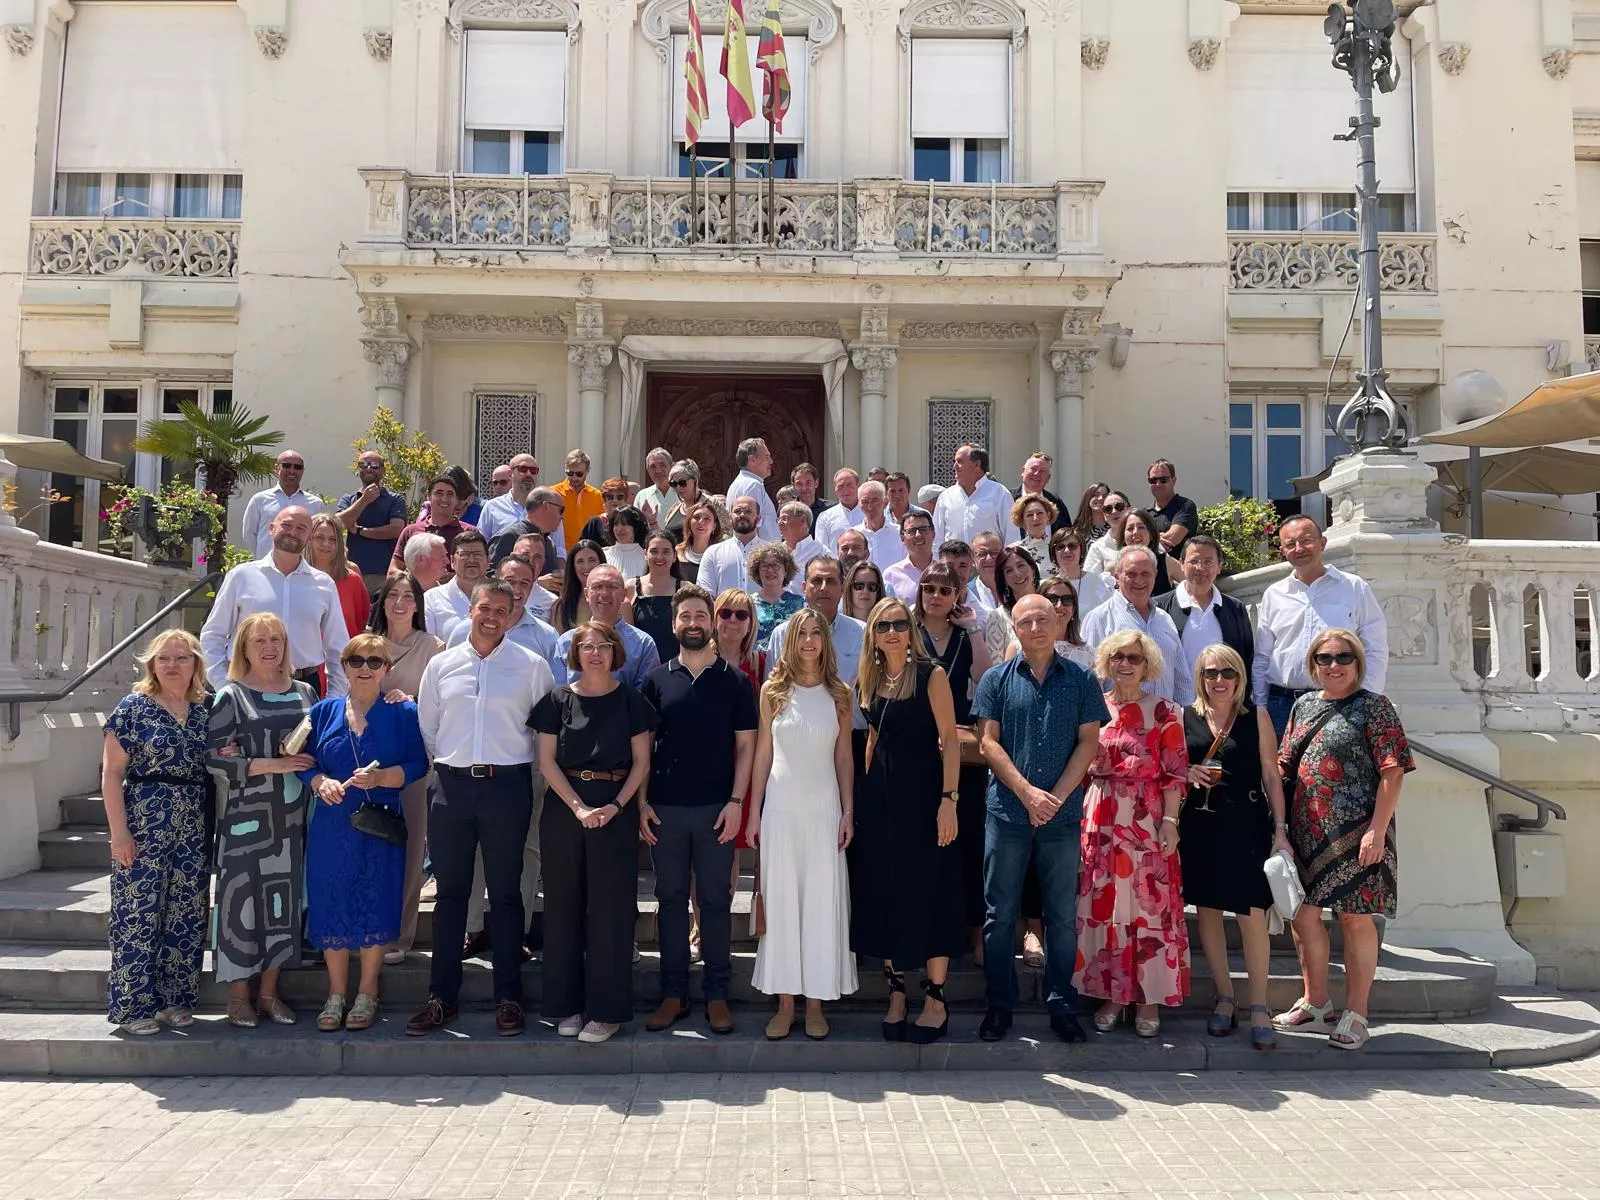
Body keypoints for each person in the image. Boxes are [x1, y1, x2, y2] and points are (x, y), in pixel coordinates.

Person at [408, 580, 555, 1037]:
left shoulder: (532, 667)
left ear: (513, 616)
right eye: (484, 608)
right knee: (452, 895)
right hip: (451, 787)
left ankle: (508, 997)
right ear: (469, 610)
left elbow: (542, 731)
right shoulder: (441, 665)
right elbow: (429, 729)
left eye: (501, 610)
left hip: (507, 787)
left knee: (507, 894)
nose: (491, 616)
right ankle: (441, 998)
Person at [972, 593, 1108, 1043]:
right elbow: (988, 744)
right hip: (1007, 812)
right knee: (999, 914)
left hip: (1063, 817)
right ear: (1014, 628)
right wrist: (1028, 793)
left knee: (1061, 917)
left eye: (1042, 619)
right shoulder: (995, 678)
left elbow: (1089, 742)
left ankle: (1062, 1005)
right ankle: (999, 1004)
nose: (1035, 628)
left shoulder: (1083, 679)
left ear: (1058, 621)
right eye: (1025, 621)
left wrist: (1055, 796)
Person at [1276, 628, 1412, 1051]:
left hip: (1358, 833)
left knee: (1354, 919)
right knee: (1302, 915)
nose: (1333, 666)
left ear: (1358, 662)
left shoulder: (1376, 708)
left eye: (1343, 657)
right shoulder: (1302, 706)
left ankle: (1357, 1013)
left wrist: (1377, 828)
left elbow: (1392, 772)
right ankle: (1317, 1002)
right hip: (1307, 832)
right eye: (1324, 658)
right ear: (1313, 665)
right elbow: (1283, 764)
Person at [532, 620, 658, 1044]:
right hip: (566, 806)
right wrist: (579, 807)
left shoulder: (632, 700)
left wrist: (617, 806)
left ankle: (607, 1012)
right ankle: (567, 1006)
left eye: (603, 646)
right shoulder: (556, 700)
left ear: (615, 652)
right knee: (564, 907)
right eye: (586, 646)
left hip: (614, 808)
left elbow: (642, 762)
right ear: (575, 653)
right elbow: (546, 761)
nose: (595, 653)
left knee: (610, 911)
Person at [639, 586, 757, 1035]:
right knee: (669, 902)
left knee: (715, 903)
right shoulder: (656, 679)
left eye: (700, 616)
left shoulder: (736, 680)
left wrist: (736, 804)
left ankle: (717, 994)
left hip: (716, 810)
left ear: (711, 623)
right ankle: (673, 993)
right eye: (684, 616)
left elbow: (746, 747)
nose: (693, 623)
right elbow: (644, 749)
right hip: (665, 810)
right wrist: (643, 803)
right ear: (674, 624)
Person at [299, 634, 428, 1033]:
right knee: (332, 899)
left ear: (386, 669)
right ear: (344, 666)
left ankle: (368, 990)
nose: (366, 668)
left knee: (375, 898)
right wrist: (319, 781)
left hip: (379, 818)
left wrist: (382, 777)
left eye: (375, 661)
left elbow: (419, 764)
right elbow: (302, 760)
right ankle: (336, 993)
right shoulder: (323, 711)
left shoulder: (404, 712)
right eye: (357, 661)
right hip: (333, 821)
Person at [851, 597, 964, 1044]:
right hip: (880, 803)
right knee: (887, 893)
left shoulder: (930, 674)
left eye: (900, 624)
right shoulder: (871, 677)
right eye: (883, 626)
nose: (893, 632)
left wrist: (949, 800)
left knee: (930, 890)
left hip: (926, 801)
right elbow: (874, 738)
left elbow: (951, 742)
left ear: (911, 629)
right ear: (873, 635)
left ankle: (936, 997)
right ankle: (897, 993)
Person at [1075, 628, 1191, 1038]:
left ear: (1147, 666)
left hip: (1145, 819)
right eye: (1118, 656)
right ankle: (1115, 995)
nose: (1125, 664)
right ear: (1106, 660)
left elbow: (1176, 774)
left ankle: (1148, 999)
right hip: (1100, 817)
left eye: (1134, 658)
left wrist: (1171, 822)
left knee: (1148, 909)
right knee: (1107, 909)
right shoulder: (1092, 707)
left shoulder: (1165, 712)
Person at [748, 609, 857, 1039]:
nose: (809, 641)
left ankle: (815, 1003)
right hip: (780, 809)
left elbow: (844, 757)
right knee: (782, 904)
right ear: (789, 642)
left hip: (824, 809)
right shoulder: (772, 692)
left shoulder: (839, 693)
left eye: (816, 634)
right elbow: (762, 755)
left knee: (819, 902)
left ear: (825, 642)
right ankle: (785, 1002)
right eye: (801, 634)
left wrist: (848, 811)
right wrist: (753, 811)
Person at [450, 554, 564, 961]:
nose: (516, 590)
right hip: (474, 766)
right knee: (477, 849)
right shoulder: (462, 632)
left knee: (527, 848)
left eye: (524, 584)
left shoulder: (545, 638)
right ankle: (473, 926)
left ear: (531, 590)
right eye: (510, 581)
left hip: (527, 763)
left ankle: (516, 930)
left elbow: (550, 705)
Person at [207, 613, 318, 1027]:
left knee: (283, 904)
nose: (269, 647)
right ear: (244, 649)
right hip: (245, 821)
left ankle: (270, 994)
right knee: (241, 904)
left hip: (293, 818)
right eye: (260, 641)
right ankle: (238, 998)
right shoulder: (231, 696)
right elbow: (216, 758)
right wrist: (274, 764)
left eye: (276, 639)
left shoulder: (306, 691)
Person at [101, 630, 211, 1035]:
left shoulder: (207, 710)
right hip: (145, 822)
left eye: (181, 658)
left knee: (186, 911)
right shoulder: (133, 708)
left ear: (195, 663)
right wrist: (119, 834)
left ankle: (174, 1000)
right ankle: (132, 1007)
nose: (171, 665)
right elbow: (112, 775)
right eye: (164, 658)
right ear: (152, 664)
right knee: (138, 914)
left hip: (194, 824)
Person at [1181, 643, 1288, 1051]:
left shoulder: (1255, 718)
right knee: (1207, 911)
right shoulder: (1184, 717)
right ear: (1200, 678)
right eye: (1211, 673)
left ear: (1240, 678)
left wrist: (1280, 830)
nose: (1219, 681)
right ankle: (1225, 997)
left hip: (1246, 825)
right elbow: (1173, 768)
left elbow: (1272, 776)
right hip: (1201, 825)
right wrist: (1187, 772)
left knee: (1250, 914)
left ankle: (1259, 1004)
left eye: (1227, 673)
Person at [366, 573, 446, 965]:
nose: (399, 602)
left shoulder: (433, 647)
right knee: (371, 842)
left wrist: (412, 697)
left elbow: (444, 702)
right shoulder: (366, 644)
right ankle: (368, 928)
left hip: (414, 760)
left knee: (412, 846)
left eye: (407, 596)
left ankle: (401, 935)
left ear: (418, 604)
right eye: (392, 595)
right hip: (368, 757)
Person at [914, 563, 993, 960]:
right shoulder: (908, 633)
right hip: (918, 748)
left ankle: (975, 931)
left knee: (970, 842)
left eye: (946, 590)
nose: (936, 596)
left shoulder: (965, 636)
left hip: (961, 750)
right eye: (929, 588)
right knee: (926, 844)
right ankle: (930, 928)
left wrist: (975, 628)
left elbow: (984, 675)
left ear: (957, 596)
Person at [1252, 514, 1390, 738]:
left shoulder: (1354, 588)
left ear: (1322, 543)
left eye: (1306, 540)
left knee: (1335, 771)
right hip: (1281, 705)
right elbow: (1263, 656)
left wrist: (1366, 698)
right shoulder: (1274, 594)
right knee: (1279, 771)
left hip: (1339, 702)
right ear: (1283, 551)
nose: (1299, 548)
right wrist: (1260, 703)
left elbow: (1375, 647)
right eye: (1290, 544)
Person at [200, 506, 348, 697]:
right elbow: (213, 635)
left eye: (302, 528)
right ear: (271, 528)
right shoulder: (242, 576)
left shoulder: (324, 584)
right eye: (287, 525)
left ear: (309, 537)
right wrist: (224, 685)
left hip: (303, 686)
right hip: (246, 684)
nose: (293, 532)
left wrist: (334, 697)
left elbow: (338, 647)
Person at [767, 555, 867, 771]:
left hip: (853, 741)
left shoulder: (863, 633)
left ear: (842, 587)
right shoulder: (782, 635)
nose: (823, 588)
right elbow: (773, 695)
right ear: (804, 587)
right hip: (796, 744)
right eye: (816, 581)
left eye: (830, 582)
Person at [1079, 547, 1193, 705]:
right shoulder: (1098, 619)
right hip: (1120, 725)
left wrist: (1184, 722)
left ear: (1155, 575)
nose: (1139, 580)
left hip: (1166, 725)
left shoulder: (1165, 619)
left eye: (1145, 574)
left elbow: (1182, 681)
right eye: (1131, 574)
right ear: (1117, 576)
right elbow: (1089, 684)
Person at [1155, 534, 1255, 681]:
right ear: (1181, 564)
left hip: (1222, 700)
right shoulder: (1160, 607)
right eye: (1193, 561)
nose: (1200, 568)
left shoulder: (1235, 608)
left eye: (1208, 562)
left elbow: (1247, 659)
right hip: (1176, 701)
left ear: (1219, 567)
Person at [554, 563, 662, 687]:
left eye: (612, 587)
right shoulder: (565, 642)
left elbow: (645, 697)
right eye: (597, 586)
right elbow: (559, 695)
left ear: (623, 594)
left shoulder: (643, 644)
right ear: (586, 594)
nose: (604, 593)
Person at [338, 451, 410, 588]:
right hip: (353, 572)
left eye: (375, 465)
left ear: (383, 470)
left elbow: (396, 529)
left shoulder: (395, 499)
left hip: (383, 574)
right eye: (363, 464)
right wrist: (364, 500)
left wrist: (360, 531)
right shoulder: (348, 499)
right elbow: (339, 524)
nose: (368, 468)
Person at [240, 449, 326, 557]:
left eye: (297, 467)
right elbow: (249, 534)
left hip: (301, 569)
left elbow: (318, 536)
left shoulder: (316, 504)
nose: (292, 471)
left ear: (302, 471)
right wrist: (263, 557)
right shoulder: (259, 500)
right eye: (287, 465)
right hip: (266, 569)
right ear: (277, 468)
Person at [932, 444, 1017, 548]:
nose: (955, 466)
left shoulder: (1000, 494)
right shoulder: (946, 497)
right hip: (954, 564)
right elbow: (937, 540)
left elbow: (1012, 539)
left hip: (990, 563)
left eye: (960, 462)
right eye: (954, 461)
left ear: (977, 465)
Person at [391, 474, 477, 574]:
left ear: (456, 499)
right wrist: (420, 578)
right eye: (439, 493)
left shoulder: (469, 532)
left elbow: (480, 571)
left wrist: (452, 579)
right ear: (428, 496)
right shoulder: (411, 531)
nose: (444, 499)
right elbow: (393, 571)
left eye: (450, 494)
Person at [305, 512, 370, 638]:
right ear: (308, 539)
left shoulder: (353, 581)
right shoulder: (296, 579)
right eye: (319, 537)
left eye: (332, 539)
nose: (326, 544)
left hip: (345, 654)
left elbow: (361, 622)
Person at [422, 529, 491, 641]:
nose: (471, 560)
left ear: (488, 560)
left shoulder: (502, 597)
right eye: (464, 555)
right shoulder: (432, 599)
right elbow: (428, 646)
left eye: (478, 554)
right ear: (452, 561)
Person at [629, 530, 686, 661]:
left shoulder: (686, 588)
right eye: (654, 551)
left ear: (674, 556)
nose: (659, 557)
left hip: (677, 666)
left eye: (666, 551)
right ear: (645, 554)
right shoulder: (630, 588)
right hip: (641, 668)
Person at [696, 493, 766, 597]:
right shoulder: (713, 553)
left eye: (748, 511)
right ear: (729, 518)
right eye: (737, 511)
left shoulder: (770, 552)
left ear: (759, 518)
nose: (742, 515)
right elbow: (706, 595)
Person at [983, 544, 1041, 661]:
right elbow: (996, 669)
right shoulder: (998, 617)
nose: (1017, 574)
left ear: (1033, 569)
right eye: (1009, 571)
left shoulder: (1053, 605)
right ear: (1003, 580)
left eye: (1021, 566)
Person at [488, 486, 565, 571]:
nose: (562, 517)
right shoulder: (509, 537)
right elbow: (489, 577)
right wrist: (537, 583)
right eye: (561, 510)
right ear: (546, 506)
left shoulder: (550, 544)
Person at [475, 454, 541, 542]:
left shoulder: (547, 507)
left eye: (533, 470)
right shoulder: (492, 507)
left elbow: (559, 550)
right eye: (523, 469)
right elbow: (482, 543)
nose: (528, 474)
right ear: (510, 474)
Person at [749, 542, 803, 650]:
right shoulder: (748, 603)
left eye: (775, 565)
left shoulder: (800, 603)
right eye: (764, 566)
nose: (770, 570)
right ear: (757, 571)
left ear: (786, 571)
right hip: (756, 663)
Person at [726, 437, 781, 543]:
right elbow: (752, 525)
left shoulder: (740, 483)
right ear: (752, 460)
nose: (771, 461)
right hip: (758, 553)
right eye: (767, 457)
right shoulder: (753, 485)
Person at [1048, 526, 1110, 616]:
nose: (1066, 550)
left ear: (1081, 550)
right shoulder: (1048, 587)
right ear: (1054, 553)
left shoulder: (1099, 582)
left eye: (1072, 546)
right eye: (1060, 547)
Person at [1145, 457, 1199, 562]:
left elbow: (1172, 539)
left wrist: (1146, 539)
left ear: (1173, 480)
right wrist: (1157, 538)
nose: (1158, 484)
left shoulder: (1185, 506)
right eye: (1153, 480)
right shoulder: (1145, 513)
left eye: (1163, 480)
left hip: (1177, 575)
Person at [554, 449, 605, 549]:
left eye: (579, 474)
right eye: (570, 473)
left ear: (588, 470)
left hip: (588, 553)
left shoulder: (597, 495)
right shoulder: (553, 493)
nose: (574, 478)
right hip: (560, 554)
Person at [881, 509, 936, 602]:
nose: (918, 535)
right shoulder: (891, 575)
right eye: (912, 531)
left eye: (923, 529)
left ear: (933, 534)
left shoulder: (945, 569)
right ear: (902, 538)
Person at [1011, 452, 1072, 535]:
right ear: (1023, 471)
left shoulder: (1055, 502)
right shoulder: (1008, 498)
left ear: (1048, 478)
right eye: (1033, 469)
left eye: (1042, 471)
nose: (1037, 474)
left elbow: (1066, 534)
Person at [1041, 577, 1093, 670]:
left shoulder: (1090, 655)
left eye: (1067, 599)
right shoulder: (1020, 648)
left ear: (1073, 610)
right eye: (1052, 599)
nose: (1059, 605)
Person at [554, 539, 604, 633]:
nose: (586, 566)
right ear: (573, 567)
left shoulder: (615, 601)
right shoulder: (561, 606)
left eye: (592, 560)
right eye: (580, 561)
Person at [776, 501, 825, 593]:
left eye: (784, 518)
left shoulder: (821, 553)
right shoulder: (775, 552)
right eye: (778, 519)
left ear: (802, 520)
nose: (779, 523)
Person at [1120, 508, 1171, 596]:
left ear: (1151, 534)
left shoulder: (1166, 562)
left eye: (1141, 527)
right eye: (1130, 528)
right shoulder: (1113, 568)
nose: (1135, 532)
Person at [939, 538, 991, 622]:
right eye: (949, 566)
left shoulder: (986, 616)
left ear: (970, 570)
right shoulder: (923, 610)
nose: (956, 571)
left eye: (962, 566)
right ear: (938, 568)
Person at [1082, 490, 1133, 575]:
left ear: (1129, 510)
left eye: (1119, 507)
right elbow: (1090, 581)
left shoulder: (1141, 538)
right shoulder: (1097, 547)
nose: (1114, 511)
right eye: (1108, 509)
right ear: (1104, 516)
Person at [854, 480, 903, 567]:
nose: (870, 507)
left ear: (885, 502)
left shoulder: (900, 534)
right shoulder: (854, 535)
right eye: (865, 502)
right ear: (859, 505)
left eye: (874, 501)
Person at [813, 468, 864, 551]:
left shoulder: (869, 512)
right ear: (835, 489)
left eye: (849, 485)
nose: (845, 489)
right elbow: (821, 549)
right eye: (840, 486)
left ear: (858, 485)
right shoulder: (825, 517)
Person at [675, 498, 723, 584]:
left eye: (707, 519)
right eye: (697, 517)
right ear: (689, 523)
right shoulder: (676, 553)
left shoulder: (721, 555)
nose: (701, 522)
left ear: (714, 526)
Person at [659, 459, 705, 543]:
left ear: (695, 479)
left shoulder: (713, 505)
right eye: (673, 484)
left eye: (682, 482)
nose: (678, 488)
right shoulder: (674, 509)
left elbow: (726, 535)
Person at [1010, 494, 1058, 573]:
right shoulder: (1013, 551)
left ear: (1048, 516)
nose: (1035, 518)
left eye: (1039, 513)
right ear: (1022, 520)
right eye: (1029, 515)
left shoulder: (1060, 548)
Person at [603, 504, 650, 578]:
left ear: (636, 527)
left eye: (624, 524)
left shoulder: (646, 557)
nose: (619, 529)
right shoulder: (603, 554)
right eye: (616, 524)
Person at [634, 446, 675, 527]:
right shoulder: (642, 496)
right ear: (647, 470)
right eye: (653, 466)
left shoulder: (683, 492)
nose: (658, 471)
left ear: (672, 466)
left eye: (662, 465)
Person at [969, 530, 1003, 611]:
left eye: (994, 553)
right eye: (982, 554)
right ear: (973, 559)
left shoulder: (1015, 587)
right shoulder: (967, 593)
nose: (989, 558)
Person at [790, 461, 832, 525]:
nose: (804, 488)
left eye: (808, 483)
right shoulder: (787, 511)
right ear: (794, 486)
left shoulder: (830, 509)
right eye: (799, 484)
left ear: (816, 483)